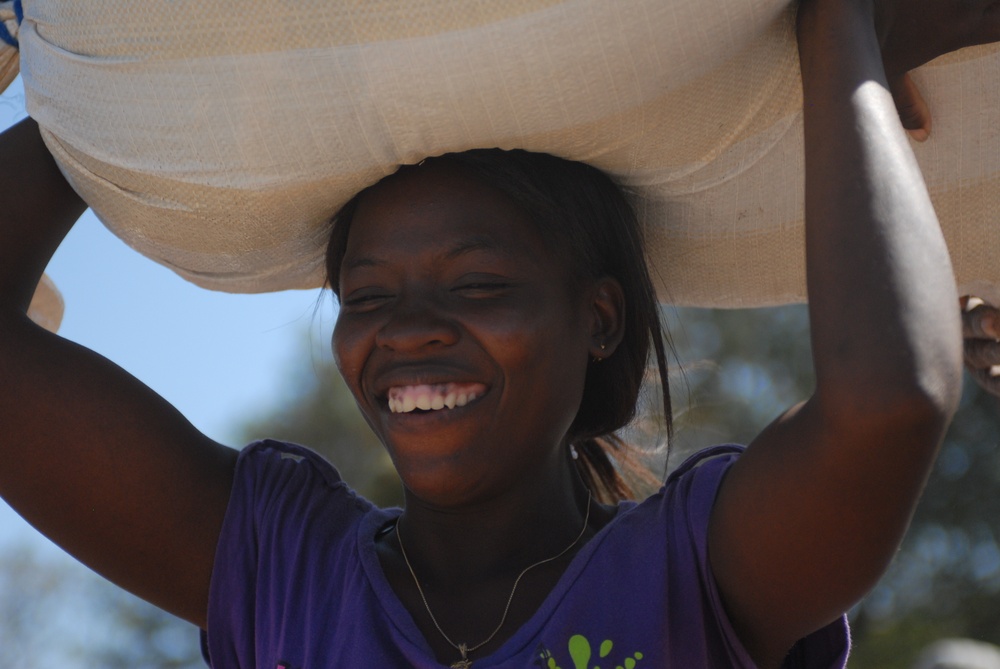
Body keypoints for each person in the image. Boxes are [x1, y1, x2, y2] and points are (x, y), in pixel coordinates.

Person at [0, 0, 998, 667]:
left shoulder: (698, 569)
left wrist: (835, 26)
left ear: (597, 318)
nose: (411, 333)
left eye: (477, 284)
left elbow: (888, 404)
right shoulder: (277, 567)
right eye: (368, 296)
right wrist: (110, 90)